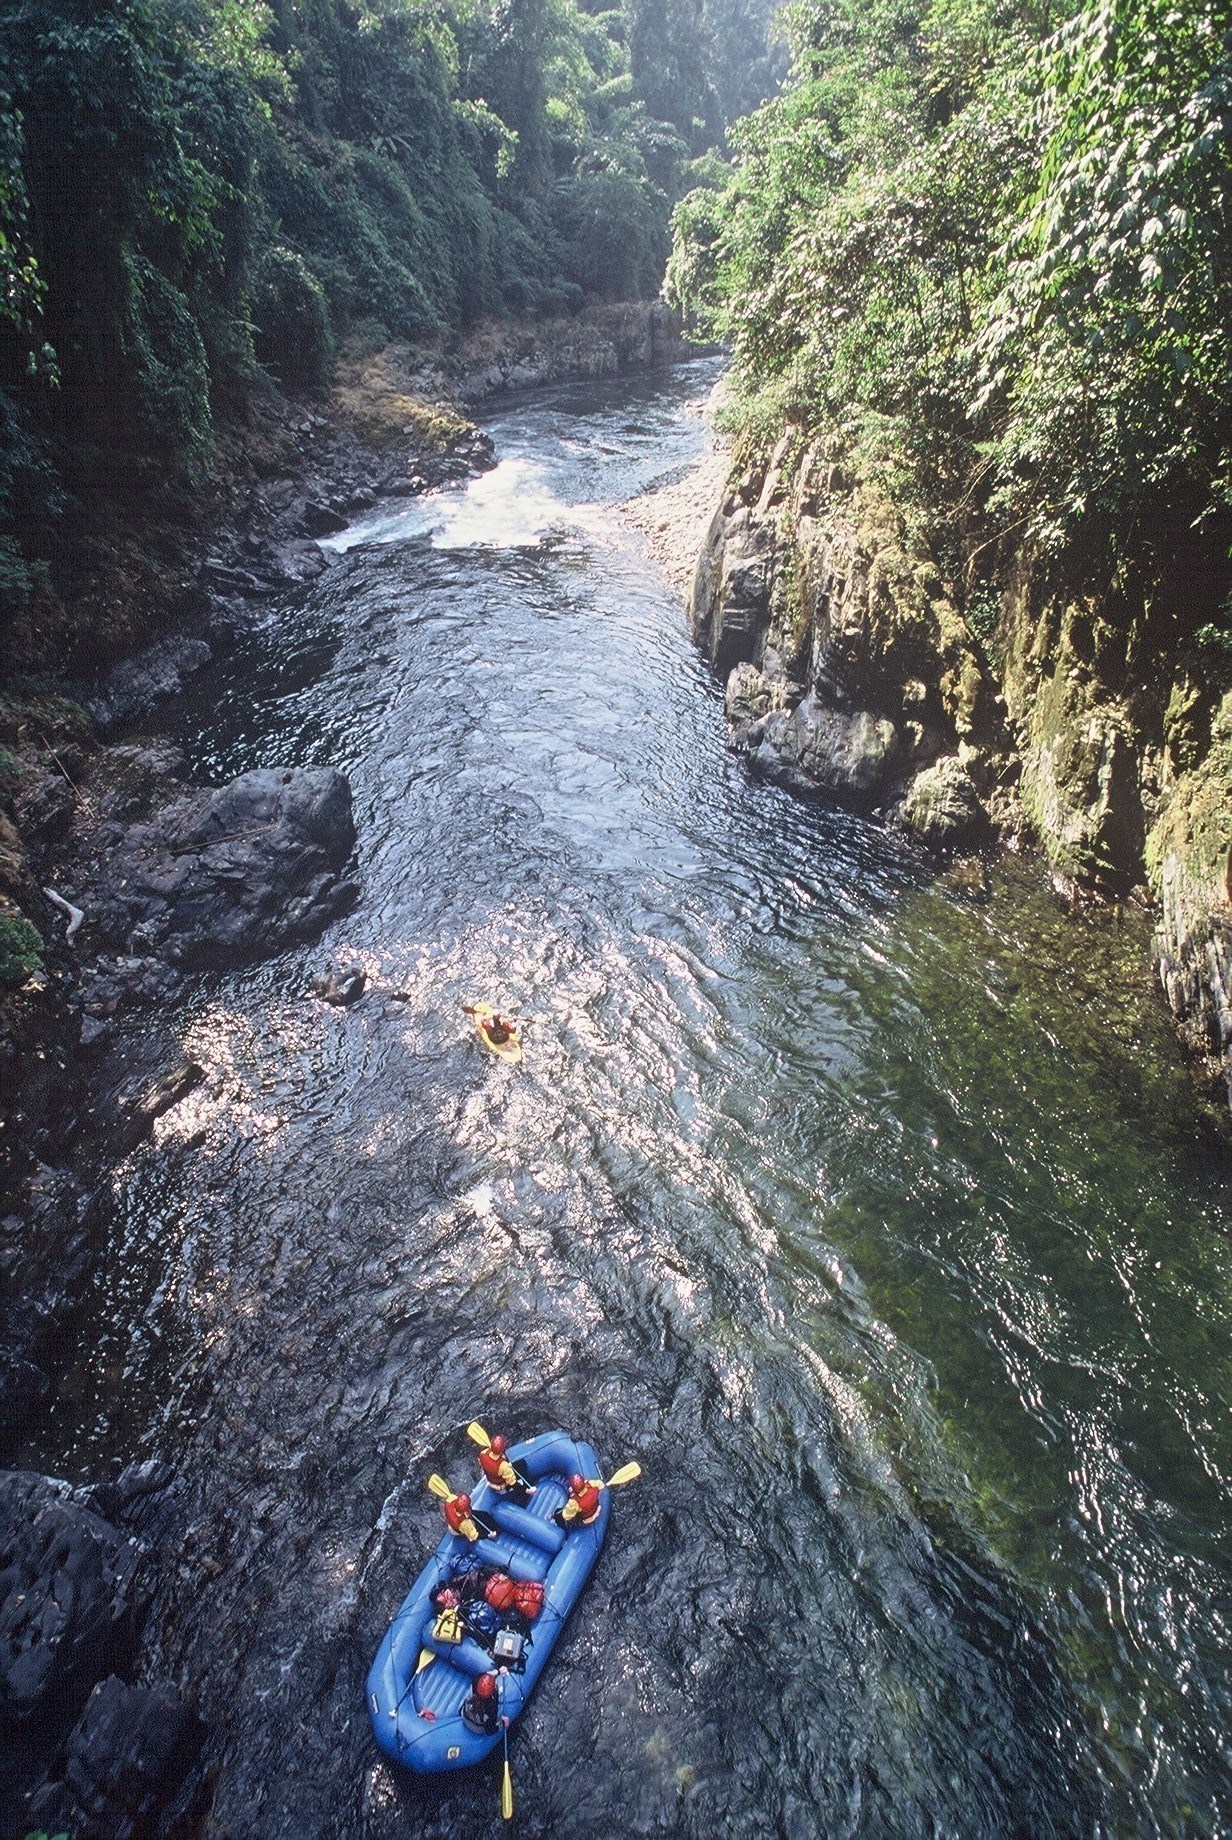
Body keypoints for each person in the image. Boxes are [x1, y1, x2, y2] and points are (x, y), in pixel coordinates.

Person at [478, 1433, 535, 1501]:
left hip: (491, 1480)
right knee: (522, 1466)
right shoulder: (503, 1466)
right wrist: (528, 1490)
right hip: (502, 1486)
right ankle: (523, 1495)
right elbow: (513, 1484)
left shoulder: (483, 1453)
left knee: (521, 1464)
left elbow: (483, 1463)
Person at [460, 1671, 501, 1736]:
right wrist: (503, 1724)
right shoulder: (491, 1706)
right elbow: (490, 1730)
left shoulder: (474, 1683)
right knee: (493, 1720)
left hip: (464, 1716)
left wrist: (497, 1672)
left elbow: (481, 1675)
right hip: (477, 1729)